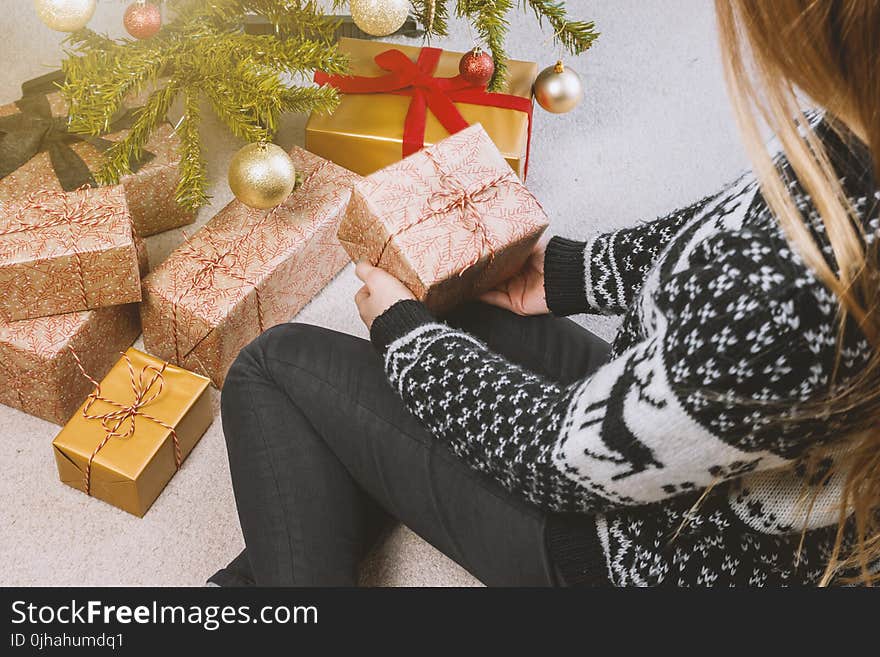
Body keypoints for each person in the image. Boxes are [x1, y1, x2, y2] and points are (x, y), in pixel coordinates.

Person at [210, 0, 880, 587]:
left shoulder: (798, 301)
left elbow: (555, 457)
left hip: (639, 558)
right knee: (457, 309)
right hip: (699, 458)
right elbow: (745, 226)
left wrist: (407, 337)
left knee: (271, 369)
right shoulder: (864, 125)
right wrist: (568, 271)